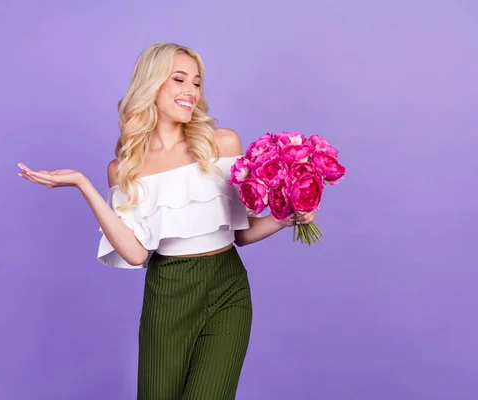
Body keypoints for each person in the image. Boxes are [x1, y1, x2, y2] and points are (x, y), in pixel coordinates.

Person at [18, 42, 315, 400]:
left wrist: (286, 218)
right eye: (179, 80)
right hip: (168, 293)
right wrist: (83, 184)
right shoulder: (125, 168)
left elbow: (242, 233)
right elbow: (135, 254)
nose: (191, 91)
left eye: (197, 83)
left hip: (228, 288)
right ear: (152, 84)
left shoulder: (221, 143)